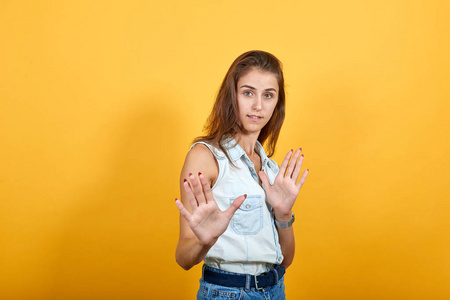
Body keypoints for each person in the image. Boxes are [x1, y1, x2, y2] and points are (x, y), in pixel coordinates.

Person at [175, 50, 309, 299]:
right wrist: (206, 241)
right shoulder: (206, 157)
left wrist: (283, 214)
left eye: (268, 95)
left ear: (276, 104)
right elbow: (183, 258)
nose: (258, 106)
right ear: (232, 96)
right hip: (227, 293)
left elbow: (286, 259)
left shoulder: (271, 170)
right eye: (248, 92)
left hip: (275, 291)